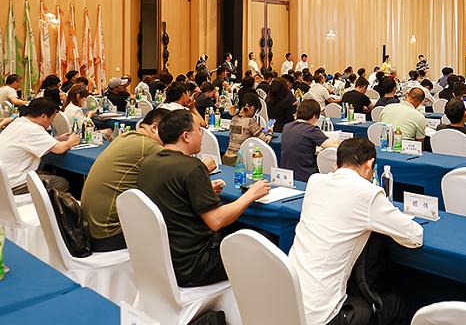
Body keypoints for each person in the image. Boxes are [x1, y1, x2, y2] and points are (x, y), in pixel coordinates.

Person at [289, 137, 423, 325]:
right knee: (397, 304)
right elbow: (414, 236)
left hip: (288, 303)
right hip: (320, 316)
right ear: (370, 165)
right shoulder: (367, 193)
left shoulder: (315, 181)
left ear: (337, 163)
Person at [138, 110, 270, 287]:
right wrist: (251, 194)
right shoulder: (192, 167)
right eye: (199, 130)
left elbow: (173, 197)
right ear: (186, 136)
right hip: (195, 266)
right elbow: (216, 221)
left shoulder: (148, 163)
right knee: (264, 240)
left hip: (162, 259)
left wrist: (200, 192)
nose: (201, 135)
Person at [82, 109, 167, 252]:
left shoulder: (125, 136)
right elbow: (181, 168)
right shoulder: (148, 145)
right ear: (155, 128)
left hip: (90, 230)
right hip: (108, 236)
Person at [0, 97, 78, 194]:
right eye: (52, 118)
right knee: (62, 183)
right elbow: (60, 149)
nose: (52, 122)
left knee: (47, 173)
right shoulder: (33, 129)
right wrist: (71, 141)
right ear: (43, 116)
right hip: (14, 185)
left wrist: (57, 140)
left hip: (4, 180)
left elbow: (30, 142)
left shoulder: (18, 122)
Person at [281, 100, 339, 182]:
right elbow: (333, 147)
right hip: (305, 175)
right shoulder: (311, 129)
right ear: (315, 116)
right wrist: (338, 143)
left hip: (287, 175)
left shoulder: (286, 126)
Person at [223, 93, 273, 165]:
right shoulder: (250, 121)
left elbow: (243, 132)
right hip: (237, 161)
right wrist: (270, 132)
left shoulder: (234, 119)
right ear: (252, 108)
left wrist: (258, 130)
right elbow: (265, 141)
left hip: (226, 158)